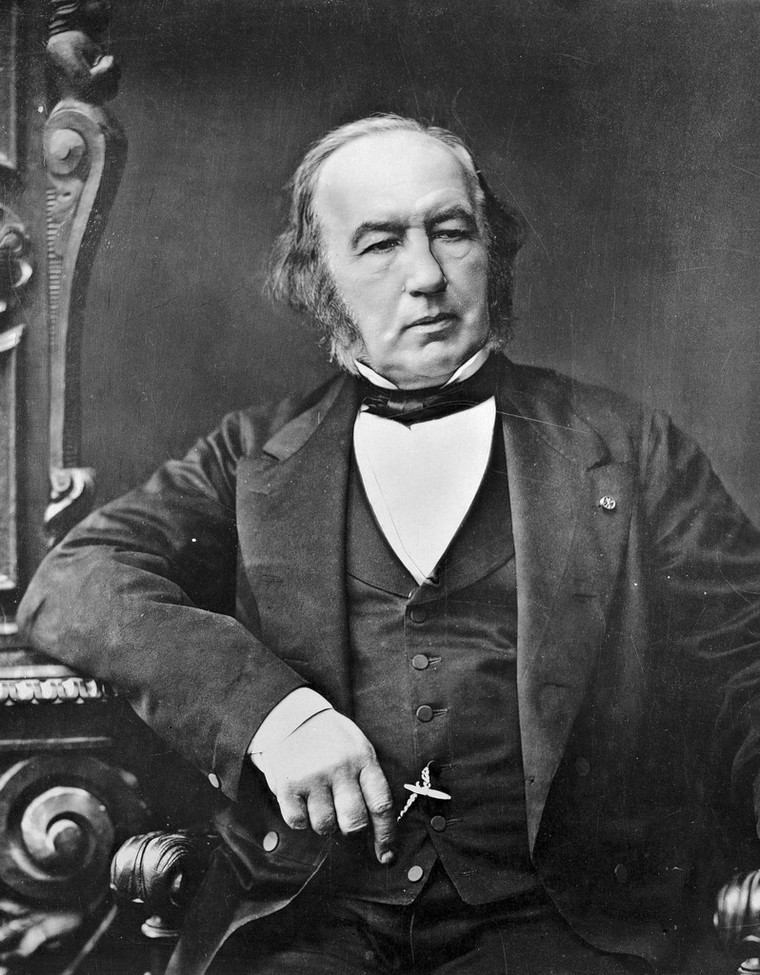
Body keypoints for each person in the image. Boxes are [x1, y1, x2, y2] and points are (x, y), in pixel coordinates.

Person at [17, 115, 760, 975]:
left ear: (492, 252)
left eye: (452, 232)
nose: (427, 276)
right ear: (319, 279)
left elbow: (746, 660)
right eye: (379, 244)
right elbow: (76, 580)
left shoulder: (631, 449)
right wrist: (271, 714)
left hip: (563, 921)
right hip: (308, 919)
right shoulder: (251, 455)